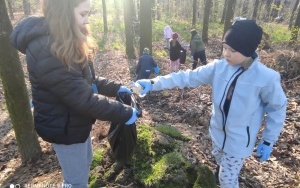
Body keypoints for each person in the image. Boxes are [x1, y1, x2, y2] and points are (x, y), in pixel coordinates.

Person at [135, 20, 287, 188]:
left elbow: (277, 108)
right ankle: (220, 169)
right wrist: (153, 83)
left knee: (227, 180)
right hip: (217, 135)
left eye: (233, 50)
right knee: (220, 164)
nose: (226, 54)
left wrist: (268, 140)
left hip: (238, 142)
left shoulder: (266, 78)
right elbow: (187, 77)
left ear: (248, 50)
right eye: (225, 48)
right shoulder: (219, 67)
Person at [9, 0, 138, 187]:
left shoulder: (65, 40)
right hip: (64, 129)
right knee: (76, 182)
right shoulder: (46, 49)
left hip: (76, 123)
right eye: (82, 14)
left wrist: (116, 88)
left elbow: (85, 80)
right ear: (65, 13)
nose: (87, 21)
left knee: (85, 162)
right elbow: (83, 98)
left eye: (88, 14)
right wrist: (125, 112)